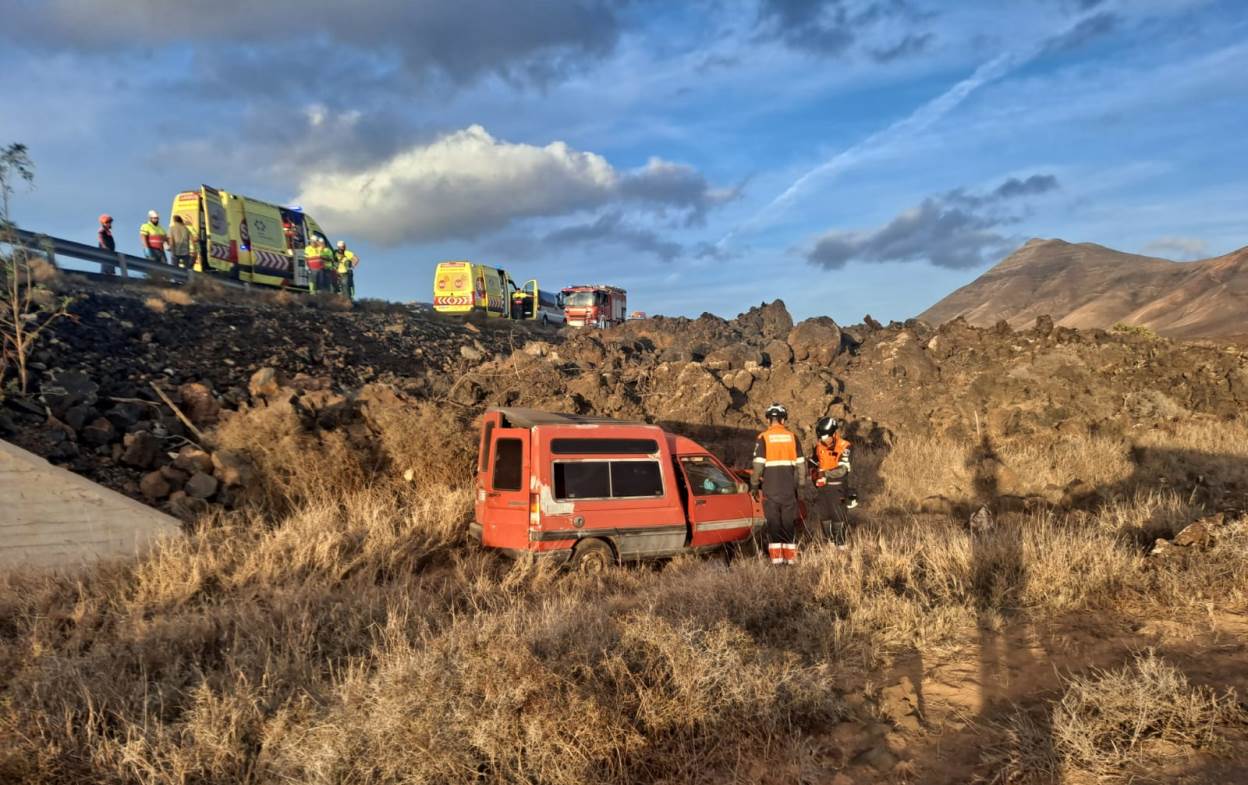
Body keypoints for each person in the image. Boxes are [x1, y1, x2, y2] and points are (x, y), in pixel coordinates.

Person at [750, 402, 804, 565]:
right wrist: (800, 488)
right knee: (788, 523)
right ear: (783, 420)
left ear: (768, 420)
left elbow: (758, 466)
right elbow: (802, 466)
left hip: (770, 490)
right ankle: (790, 559)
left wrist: (753, 486)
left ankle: (777, 560)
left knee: (774, 524)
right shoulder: (793, 437)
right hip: (789, 490)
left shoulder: (763, 438)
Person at [809, 417, 858, 549]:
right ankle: (829, 544)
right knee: (824, 517)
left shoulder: (845, 446)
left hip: (837, 488)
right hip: (822, 488)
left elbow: (843, 470)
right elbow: (813, 463)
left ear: (833, 433)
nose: (823, 440)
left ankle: (841, 545)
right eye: (820, 438)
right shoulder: (819, 446)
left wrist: (824, 474)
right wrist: (814, 474)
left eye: (825, 437)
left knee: (838, 517)